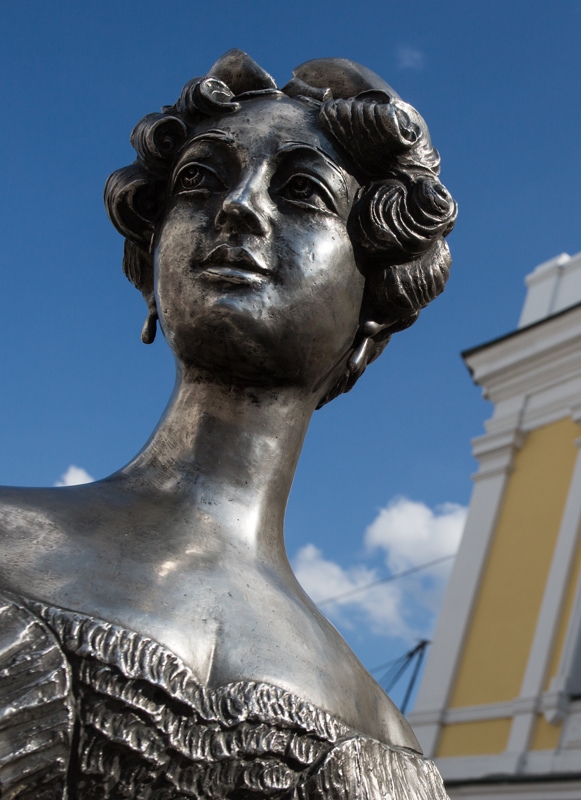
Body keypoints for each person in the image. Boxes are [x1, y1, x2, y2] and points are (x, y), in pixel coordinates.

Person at [0, 50, 456, 800]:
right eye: (199, 180)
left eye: (304, 191)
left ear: (372, 318)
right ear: (151, 272)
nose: (237, 207)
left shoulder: (383, 739)